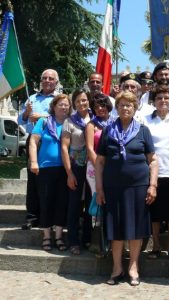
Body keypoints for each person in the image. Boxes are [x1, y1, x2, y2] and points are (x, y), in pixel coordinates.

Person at [95, 91, 158, 286]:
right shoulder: (108, 130)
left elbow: (153, 160)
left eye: (129, 105)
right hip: (113, 188)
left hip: (138, 187)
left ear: (135, 108)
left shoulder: (143, 130)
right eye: (121, 105)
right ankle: (117, 267)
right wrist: (99, 188)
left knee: (136, 228)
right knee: (115, 228)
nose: (125, 108)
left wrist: (153, 185)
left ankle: (133, 266)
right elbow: (99, 161)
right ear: (117, 107)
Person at [144, 85, 169, 260]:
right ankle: (155, 245)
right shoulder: (145, 120)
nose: (163, 101)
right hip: (152, 173)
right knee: (154, 212)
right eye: (159, 98)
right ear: (154, 101)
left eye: (166, 98)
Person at [29, 94, 71, 251]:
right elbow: (33, 142)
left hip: (65, 169)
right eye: (60, 104)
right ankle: (47, 236)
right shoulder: (44, 121)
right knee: (46, 202)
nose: (63, 107)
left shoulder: (70, 123)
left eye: (66, 104)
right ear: (54, 106)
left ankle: (59, 236)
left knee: (62, 202)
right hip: (45, 168)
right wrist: (34, 161)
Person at [18, 69, 59, 229]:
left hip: (52, 140)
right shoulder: (32, 98)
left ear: (56, 82)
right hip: (33, 140)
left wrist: (41, 117)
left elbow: (65, 116)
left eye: (51, 78)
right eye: (44, 78)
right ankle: (31, 216)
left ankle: (49, 216)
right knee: (33, 179)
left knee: (51, 179)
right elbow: (20, 120)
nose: (47, 80)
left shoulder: (59, 99)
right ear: (41, 81)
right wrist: (27, 113)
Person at [61, 89, 92, 255]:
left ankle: (87, 237)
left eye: (85, 100)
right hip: (76, 166)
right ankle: (73, 240)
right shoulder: (70, 121)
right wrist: (69, 173)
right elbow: (64, 147)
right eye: (79, 101)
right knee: (74, 204)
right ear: (74, 103)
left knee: (90, 202)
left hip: (93, 166)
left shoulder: (95, 118)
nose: (82, 103)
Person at [85, 92, 113, 196]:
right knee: (98, 197)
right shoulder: (91, 125)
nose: (100, 108)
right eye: (96, 107)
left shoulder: (115, 123)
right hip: (95, 166)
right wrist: (99, 167)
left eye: (103, 105)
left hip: (112, 165)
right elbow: (89, 148)